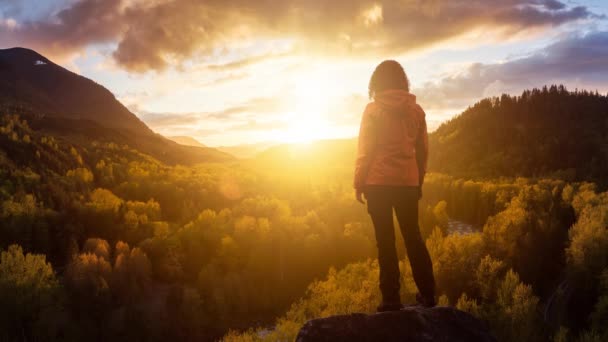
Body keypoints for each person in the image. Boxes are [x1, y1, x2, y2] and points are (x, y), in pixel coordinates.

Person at [354, 60, 436, 312]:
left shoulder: (373, 110)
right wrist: (418, 181)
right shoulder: (417, 111)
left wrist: (359, 182)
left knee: (385, 241)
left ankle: (390, 299)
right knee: (413, 238)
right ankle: (429, 295)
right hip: (407, 184)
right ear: (402, 82)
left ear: (376, 83)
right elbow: (423, 150)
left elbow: (365, 151)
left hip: (377, 184)